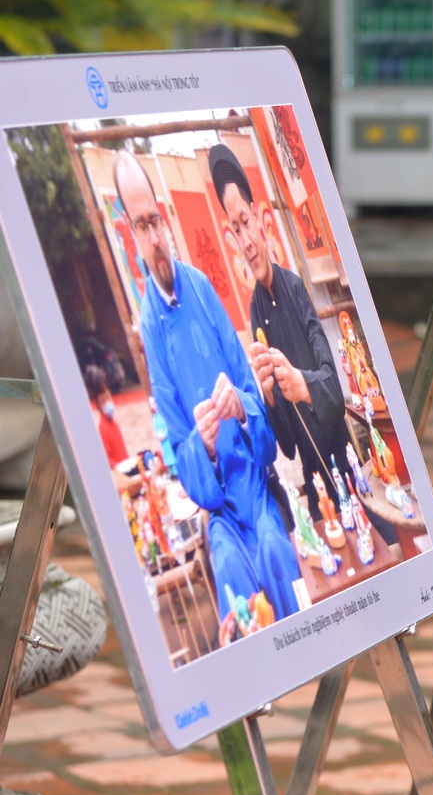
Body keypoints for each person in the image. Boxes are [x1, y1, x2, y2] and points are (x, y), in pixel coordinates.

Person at [114, 150, 302, 627]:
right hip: (219, 510)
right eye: (142, 226)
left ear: (165, 218)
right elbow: (177, 447)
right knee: (232, 570)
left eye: (157, 221)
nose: (156, 239)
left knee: (277, 550)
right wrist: (205, 447)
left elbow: (251, 392)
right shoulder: (149, 329)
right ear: (130, 233)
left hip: (257, 489)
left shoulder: (201, 288)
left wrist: (240, 409)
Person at [209, 144, 349, 527]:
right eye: (235, 230)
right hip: (317, 493)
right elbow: (286, 445)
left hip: (347, 472)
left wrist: (301, 383)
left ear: (259, 218)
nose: (246, 241)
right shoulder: (254, 313)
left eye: (245, 221)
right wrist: (270, 396)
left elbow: (334, 390)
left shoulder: (296, 287)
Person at [85, 364, 126, 468]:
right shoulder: (103, 428)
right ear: (98, 405)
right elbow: (107, 459)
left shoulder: (113, 423)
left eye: (108, 398)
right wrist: (119, 466)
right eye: (103, 401)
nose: (108, 403)